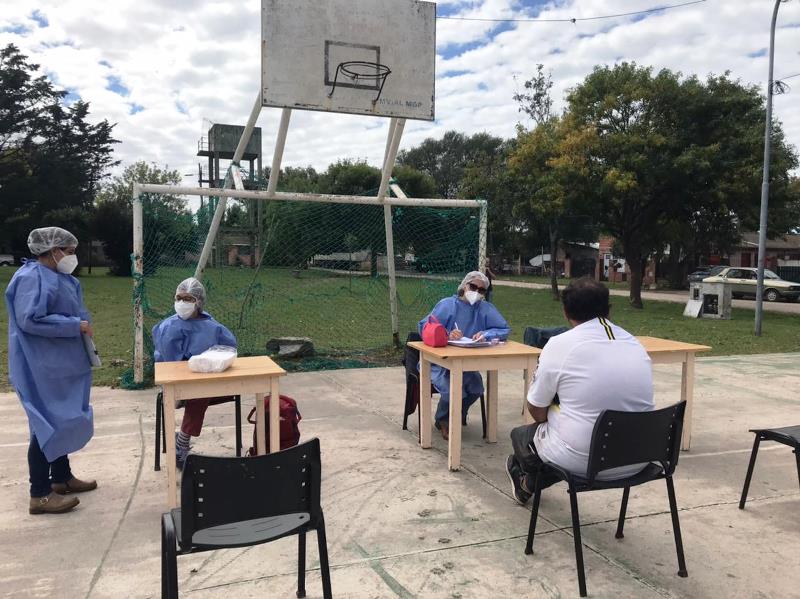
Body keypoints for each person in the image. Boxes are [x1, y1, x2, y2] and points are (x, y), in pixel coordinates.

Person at [506, 277, 654, 504]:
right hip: (639, 457)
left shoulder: (559, 345)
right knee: (569, 433)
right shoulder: (635, 344)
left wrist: (555, 415)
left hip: (585, 461)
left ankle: (528, 480)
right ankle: (529, 482)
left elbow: (536, 408)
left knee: (522, 435)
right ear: (609, 310)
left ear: (565, 312)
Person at [6, 227, 97, 515]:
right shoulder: (30, 277)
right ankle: (39, 494)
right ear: (53, 250)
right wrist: (74, 326)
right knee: (45, 424)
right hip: (39, 364)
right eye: (69, 252)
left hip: (63, 362)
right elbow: (30, 319)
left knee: (64, 418)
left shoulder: (62, 278)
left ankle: (61, 477)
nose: (72, 257)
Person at [152, 277, 237, 468]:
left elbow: (228, 349)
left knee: (204, 389)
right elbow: (167, 364)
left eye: (188, 299)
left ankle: (181, 439)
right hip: (179, 383)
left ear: (198, 302)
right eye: (179, 298)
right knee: (200, 392)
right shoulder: (168, 327)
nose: (182, 303)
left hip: (210, 381)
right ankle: (182, 443)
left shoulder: (212, 326)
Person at [419, 271, 510, 440]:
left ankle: (456, 415)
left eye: (481, 290)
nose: (476, 292)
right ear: (464, 285)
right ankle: (444, 420)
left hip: (466, 363)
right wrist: (446, 334)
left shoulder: (485, 308)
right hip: (440, 362)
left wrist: (486, 334)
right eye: (473, 287)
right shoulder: (447, 305)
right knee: (454, 390)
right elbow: (425, 327)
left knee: (476, 389)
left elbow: (503, 329)